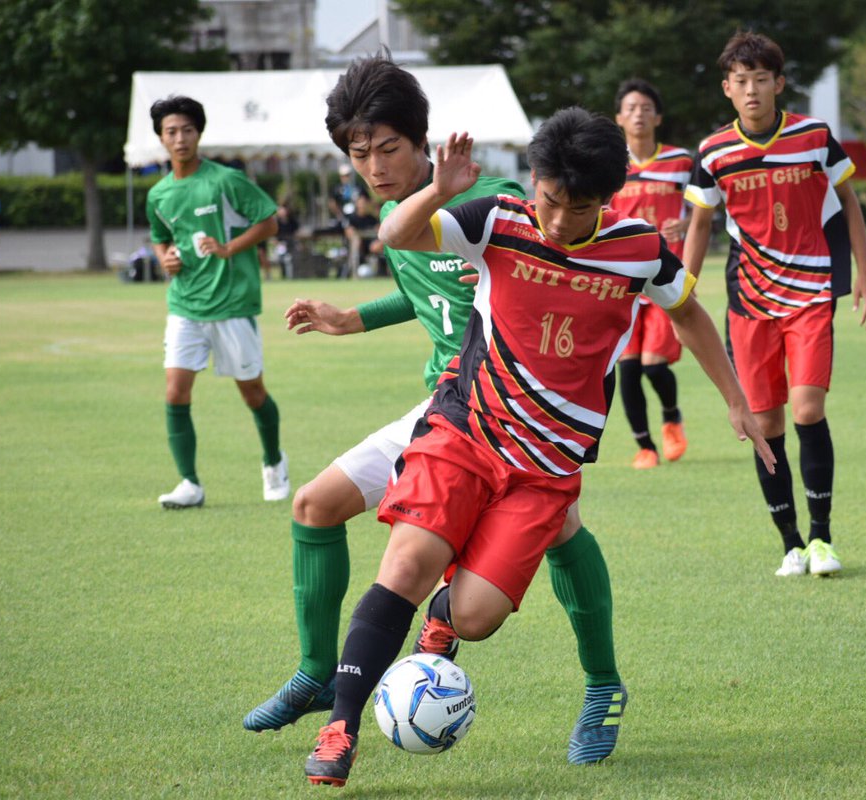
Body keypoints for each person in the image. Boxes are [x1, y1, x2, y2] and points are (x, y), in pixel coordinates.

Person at [301, 108, 774, 788]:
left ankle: (446, 618)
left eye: (578, 209)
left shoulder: (639, 248)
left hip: (546, 469)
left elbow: (689, 313)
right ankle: (341, 725)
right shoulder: (497, 219)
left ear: (604, 201)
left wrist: (734, 399)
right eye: (551, 200)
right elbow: (395, 235)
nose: (558, 221)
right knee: (405, 565)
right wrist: (439, 188)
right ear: (534, 182)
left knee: (475, 616)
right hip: (464, 432)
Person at [247, 56, 631, 769]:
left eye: (388, 149)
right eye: (359, 155)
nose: (375, 168)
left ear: (423, 141)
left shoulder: (494, 199)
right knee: (314, 504)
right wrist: (350, 320)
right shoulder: (401, 216)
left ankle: (602, 686)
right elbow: (428, 293)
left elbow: (532, 270)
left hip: (521, 412)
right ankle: (315, 673)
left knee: (558, 531)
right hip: (448, 409)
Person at [682, 31, 866, 578]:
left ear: (779, 84)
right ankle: (790, 542)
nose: (752, 90)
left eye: (761, 80)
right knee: (764, 424)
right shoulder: (713, 151)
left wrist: (864, 273)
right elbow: (699, 224)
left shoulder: (815, 136)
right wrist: (684, 289)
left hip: (812, 294)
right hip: (749, 303)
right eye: (741, 81)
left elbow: (850, 202)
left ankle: (822, 538)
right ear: (727, 89)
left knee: (807, 410)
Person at [145, 95, 288, 509]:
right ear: (161, 138)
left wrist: (228, 248)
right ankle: (189, 482)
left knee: (253, 393)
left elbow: (269, 221)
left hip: (232, 303)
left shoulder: (226, 180)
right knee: (175, 392)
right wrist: (164, 258)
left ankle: (274, 461)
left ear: (198, 133)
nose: (180, 138)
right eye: (171, 131)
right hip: (185, 304)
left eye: (187, 130)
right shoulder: (158, 194)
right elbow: (159, 236)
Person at [609, 78, 693, 468]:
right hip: (620, 280)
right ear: (619, 118)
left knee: (654, 365)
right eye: (631, 108)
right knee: (627, 368)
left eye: (645, 107)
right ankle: (645, 447)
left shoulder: (681, 162)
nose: (638, 114)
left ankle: (672, 419)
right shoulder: (610, 165)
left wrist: (688, 222)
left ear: (658, 117)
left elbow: (705, 208)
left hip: (664, 277)